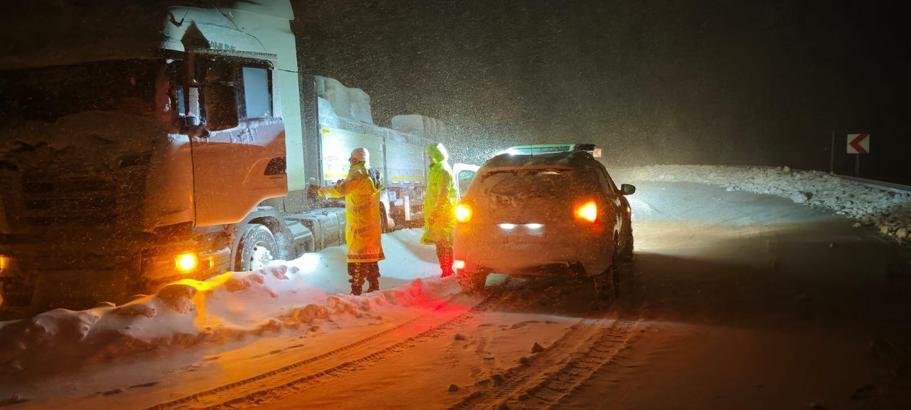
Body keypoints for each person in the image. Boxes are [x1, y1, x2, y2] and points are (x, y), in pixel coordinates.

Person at [318, 147, 385, 295]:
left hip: (360, 223)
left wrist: (321, 191)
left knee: (358, 259)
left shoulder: (357, 174)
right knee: (370, 257)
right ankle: (374, 285)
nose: (349, 161)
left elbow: (340, 190)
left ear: (355, 160)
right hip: (372, 223)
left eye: (350, 159)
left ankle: (356, 291)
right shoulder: (372, 173)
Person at [421, 143, 458, 277]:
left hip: (443, 216)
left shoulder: (443, 171)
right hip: (438, 215)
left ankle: (447, 271)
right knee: (441, 244)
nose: (429, 159)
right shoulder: (435, 170)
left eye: (430, 156)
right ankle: (446, 270)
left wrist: (435, 214)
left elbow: (443, 196)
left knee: (444, 244)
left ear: (435, 155)